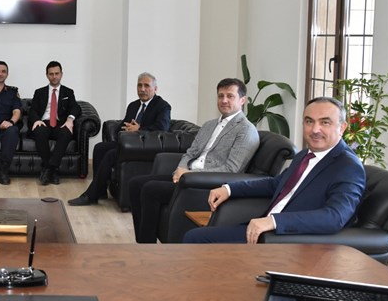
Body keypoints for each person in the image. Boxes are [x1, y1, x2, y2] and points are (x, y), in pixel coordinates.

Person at [184, 97, 365, 244]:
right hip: (263, 231)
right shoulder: (305, 155)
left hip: (288, 240)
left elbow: (335, 217)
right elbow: (276, 184)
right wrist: (229, 189)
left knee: (196, 239)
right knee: (194, 236)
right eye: (309, 121)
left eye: (325, 122)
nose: (315, 129)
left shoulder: (348, 167)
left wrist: (275, 222)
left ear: (342, 127)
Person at [128, 78, 260, 243]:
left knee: (150, 189)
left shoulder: (246, 130)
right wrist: (180, 170)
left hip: (204, 184)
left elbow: (232, 169)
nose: (224, 100)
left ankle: (146, 248)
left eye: (230, 96)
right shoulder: (209, 125)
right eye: (221, 96)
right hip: (187, 176)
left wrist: (190, 174)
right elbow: (191, 152)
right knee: (135, 184)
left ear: (242, 100)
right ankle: (142, 242)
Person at [68, 72, 171, 206]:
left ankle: (90, 195)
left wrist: (139, 129)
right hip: (128, 144)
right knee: (99, 148)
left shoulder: (163, 106)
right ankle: (101, 190)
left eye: (146, 86)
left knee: (112, 154)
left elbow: (162, 129)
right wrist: (124, 129)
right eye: (139, 85)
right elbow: (124, 125)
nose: (142, 89)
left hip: (146, 148)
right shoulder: (133, 105)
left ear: (155, 89)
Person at [29, 61, 81, 185]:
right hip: (44, 122)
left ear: (61, 74)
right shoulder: (39, 92)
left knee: (66, 132)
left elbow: (76, 107)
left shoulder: (68, 92)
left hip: (60, 123)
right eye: (51, 74)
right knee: (39, 131)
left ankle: (49, 168)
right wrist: (37, 120)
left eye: (57, 73)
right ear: (47, 75)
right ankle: (54, 171)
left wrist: (70, 119)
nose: (54, 76)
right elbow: (32, 110)